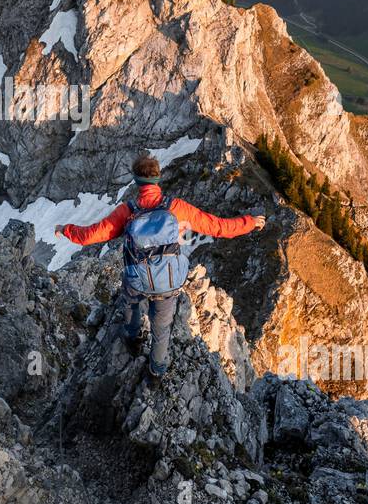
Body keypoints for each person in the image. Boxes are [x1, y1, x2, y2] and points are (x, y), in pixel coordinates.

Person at [55, 153, 265, 380]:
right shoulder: (176, 207)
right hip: (168, 281)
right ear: (158, 178)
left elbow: (90, 235)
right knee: (162, 329)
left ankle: (133, 338)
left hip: (137, 279)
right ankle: (156, 371)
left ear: (136, 181)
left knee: (130, 303)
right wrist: (250, 222)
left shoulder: (128, 211)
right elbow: (218, 227)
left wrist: (65, 228)